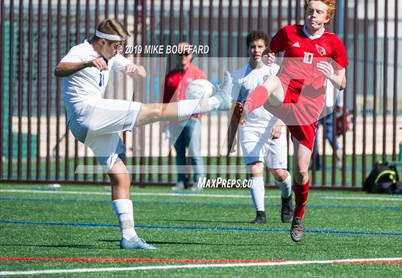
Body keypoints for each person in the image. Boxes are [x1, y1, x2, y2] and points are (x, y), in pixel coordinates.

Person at [55, 18, 232, 249]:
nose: (118, 50)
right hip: (88, 113)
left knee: (120, 175)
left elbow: (136, 69)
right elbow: (59, 69)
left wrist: (136, 69)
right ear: (101, 41)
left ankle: (128, 236)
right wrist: (87, 63)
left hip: (86, 125)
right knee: (156, 110)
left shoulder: (109, 55)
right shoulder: (81, 51)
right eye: (115, 45)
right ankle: (218, 101)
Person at [241, 0, 348, 242]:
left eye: (318, 12)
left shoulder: (333, 43)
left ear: (327, 17)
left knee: (301, 171)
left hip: (308, 108)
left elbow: (342, 82)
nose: (313, 15)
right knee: (274, 80)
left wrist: (331, 75)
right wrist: (269, 55)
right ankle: (248, 105)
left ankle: (298, 216)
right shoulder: (289, 33)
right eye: (310, 10)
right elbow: (271, 51)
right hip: (286, 92)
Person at [231, 31, 292, 224]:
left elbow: (287, 100)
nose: (256, 50)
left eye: (260, 46)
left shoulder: (274, 71)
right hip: (249, 128)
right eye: (253, 46)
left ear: (266, 49)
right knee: (254, 169)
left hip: (272, 126)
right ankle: (261, 214)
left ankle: (287, 198)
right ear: (247, 49)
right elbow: (237, 105)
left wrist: (279, 122)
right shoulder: (239, 75)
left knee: (279, 173)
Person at [163, 42, 206, 192]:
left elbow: (205, 98)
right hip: (175, 120)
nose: (183, 56)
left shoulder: (199, 74)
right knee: (179, 152)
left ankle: (199, 180)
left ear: (191, 55)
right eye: (180, 53)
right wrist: (165, 121)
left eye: (186, 53)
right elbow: (166, 101)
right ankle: (182, 181)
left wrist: (198, 114)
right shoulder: (170, 76)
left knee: (194, 151)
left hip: (192, 119)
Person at [312, 81, 344, 170]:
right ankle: (338, 150)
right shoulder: (334, 68)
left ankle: (316, 161)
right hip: (329, 104)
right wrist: (340, 104)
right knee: (330, 132)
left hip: (315, 104)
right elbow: (340, 86)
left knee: (314, 133)